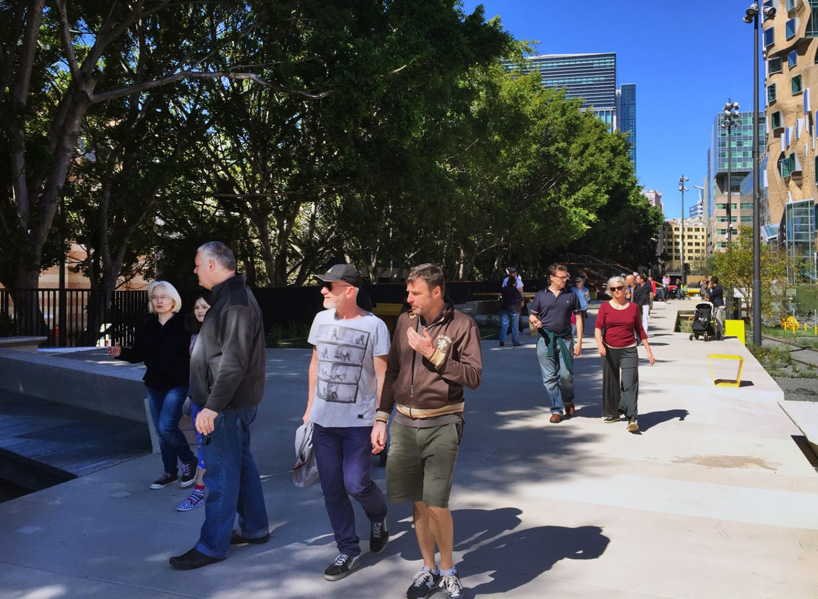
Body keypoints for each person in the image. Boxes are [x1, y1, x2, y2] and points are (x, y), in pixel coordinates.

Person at [371, 264, 482, 599]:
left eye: (415, 292)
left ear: (436, 292)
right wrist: (381, 419)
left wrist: (432, 354)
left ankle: (448, 570)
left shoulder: (463, 325)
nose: (409, 299)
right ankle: (428, 568)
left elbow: (474, 377)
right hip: (404, 424)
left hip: (443, 423)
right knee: (417, 503)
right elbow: (392, 372)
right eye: (408, 292)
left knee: (436, 503)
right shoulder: (405, 321)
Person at [170, 242, 269, 570]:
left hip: (225, 407)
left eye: (198, 264)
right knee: (241, 465)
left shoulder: (236, 302)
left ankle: (212, 545)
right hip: (227, 404)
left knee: (221, 475)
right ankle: (255, 528)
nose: (195, 270)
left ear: (212, 265)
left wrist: (212, 407)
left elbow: (234, 361)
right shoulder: (229, 296)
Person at [303, 264, 390, 581]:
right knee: (332, 489)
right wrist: (310, 403)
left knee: (355, 483)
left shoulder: (375, 326)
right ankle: (348, 550)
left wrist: (382, 419)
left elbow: (382, 375)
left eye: (329, 285)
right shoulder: (320, 320)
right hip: (324, 422)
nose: (323, 290)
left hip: (358, 422)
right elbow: (315, 362)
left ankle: (378, 514)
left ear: (349, 290)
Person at [109, 280, 197, 490]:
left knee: (167, 426)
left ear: (173, 300)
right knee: (161, 431)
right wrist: (122, 353)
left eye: (163, 297)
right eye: (155, 297)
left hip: (178, 383)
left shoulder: (185, 323)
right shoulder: (148, 327)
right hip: (154, 384)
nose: (159, 301)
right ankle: (170, 472)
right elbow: (139, 353)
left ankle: (188, 460)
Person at [594, 276, 655, 433]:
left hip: (629, 349)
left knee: (629, 383)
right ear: (610, 290)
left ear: (625, 289)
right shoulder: (605, 308)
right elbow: (598, 328)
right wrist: (599, 344)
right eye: (613, 289)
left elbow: (640, 330)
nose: (616, 291)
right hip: (609, 349)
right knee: (611, 382)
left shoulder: (633, 307)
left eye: (619, 288)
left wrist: (648, 350)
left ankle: (632, 417)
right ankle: (614, 413)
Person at [529, 264, 583, 424]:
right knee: (549, 378)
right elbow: (532, 316)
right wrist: (535, 321)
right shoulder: (541, 295)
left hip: (565, 340)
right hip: (545, 341)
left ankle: (568, 399)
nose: (565, 280)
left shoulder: (571, 295)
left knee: (566, 375)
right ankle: (557, 409)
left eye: (566, 277)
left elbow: (578, 318)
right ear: (552, 277)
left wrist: (579, 341)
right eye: (562, 277)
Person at [177, 292, 213, 512]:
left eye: (205, 307)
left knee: (211, 448)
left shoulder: (217, 336)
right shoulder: (194, 336)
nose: (200, 311)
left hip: (213, 404)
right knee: (203, 447)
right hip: (197, 399)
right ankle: (199, 490)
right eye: (197, 307)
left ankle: (200, 490)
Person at [499, 275, 524, 347]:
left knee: (504, 325)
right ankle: (515, 342)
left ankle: (502, 340)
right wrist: (519, 307)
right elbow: (521, 300)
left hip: (504, 308)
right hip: (514, 310)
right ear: (514, 283)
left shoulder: (504, 289)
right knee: (515, 326)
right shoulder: (515, 290)